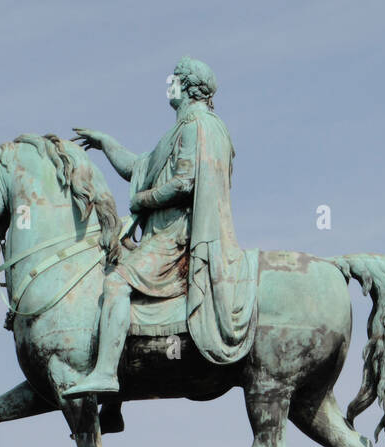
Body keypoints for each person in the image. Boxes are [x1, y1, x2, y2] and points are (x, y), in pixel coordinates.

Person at [66, 55, 257, 398]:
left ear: (186, 87)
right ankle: (112, 405)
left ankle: (106, 373)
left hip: (175, 236)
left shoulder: (196, 127)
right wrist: (106, 143)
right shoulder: (186, 128)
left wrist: (143, 200)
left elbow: (184, 183)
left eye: (173, 79)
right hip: (165, 231)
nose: (168, 83)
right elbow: (139, 167)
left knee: (116, 284)